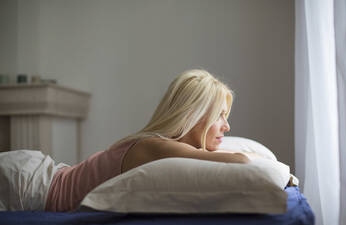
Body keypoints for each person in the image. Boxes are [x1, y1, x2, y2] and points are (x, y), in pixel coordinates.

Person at [0, 69, 262, 212]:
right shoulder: (154, 146)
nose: (227, 127)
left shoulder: (159, 145)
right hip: (29, 184)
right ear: (194, 115)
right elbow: (239, 161)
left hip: (38, 175)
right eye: (221, 116)